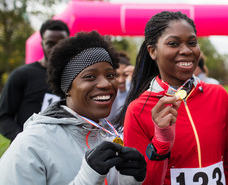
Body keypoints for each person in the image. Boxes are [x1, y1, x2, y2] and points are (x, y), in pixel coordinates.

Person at [0, 31, 147, 184]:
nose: (106, 84)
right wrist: (87, 178)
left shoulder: (111, 136)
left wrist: (130, 180)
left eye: (110, 75)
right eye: (90, 76)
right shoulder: (31, 144)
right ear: (67, 88)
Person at [118, 11, 228, 184]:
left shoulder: (218, 95)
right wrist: (160, 143)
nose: (186, 50)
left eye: (192, 43)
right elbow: (140, 181)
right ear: (152, 51)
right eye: (173, 43)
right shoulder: (138, 110)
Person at [0, 19, 69, 141]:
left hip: (64, 148)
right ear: (42, 43)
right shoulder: (21, 75)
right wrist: (24, 138)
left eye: (61, 43)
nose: (56, 48)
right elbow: (3, 117)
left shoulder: (76, 76)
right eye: (50, 43)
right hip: (28, 150)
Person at [107, 51, 134, 127]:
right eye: (116, 75)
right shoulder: (106, 96)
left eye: (126, 75)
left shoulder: (136, 94)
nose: (121, 80)